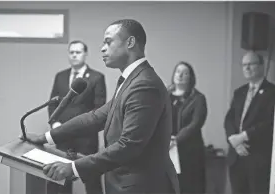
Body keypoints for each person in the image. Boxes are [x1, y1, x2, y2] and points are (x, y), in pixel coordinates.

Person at [21, 19, 180, 194]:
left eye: (108, 41)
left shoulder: (144, 84)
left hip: (142, 187)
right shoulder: (133, 80)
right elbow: (95, 117)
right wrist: (46, 137)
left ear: (130, 42)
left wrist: (73, 167)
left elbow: (128, 146)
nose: (102, 48)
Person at [47, 40, 105, 194]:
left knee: (92, 182)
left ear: (85, 54)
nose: (74, 55)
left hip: (85, 138)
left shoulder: (96, 77)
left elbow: (99, 108)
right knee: (60, 181)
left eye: (78, 52)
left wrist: (83, 127)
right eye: (71, 52)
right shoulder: (61, 76)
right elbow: (53, 103)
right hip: (63, 138)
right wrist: (54, 124)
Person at [224, 51, 275, 194]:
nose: (246, 68)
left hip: (258, 157)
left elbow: (270, 123)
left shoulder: (273, 92)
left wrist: (243, 136)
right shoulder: (239, 92)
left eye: (250, 64)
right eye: (244, 65)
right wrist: (233, 140)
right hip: (236, 156)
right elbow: (229, 119)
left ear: (261, 66)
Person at [168, 61, 207, 194]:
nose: (180, 75)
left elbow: (195, 124)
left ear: (191, 78)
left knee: (189, 188)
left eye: (185, 73)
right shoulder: (164, 95)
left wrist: (175, 140)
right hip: (167, 150)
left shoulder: (198, 98)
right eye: (178, 71)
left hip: (189, 151)